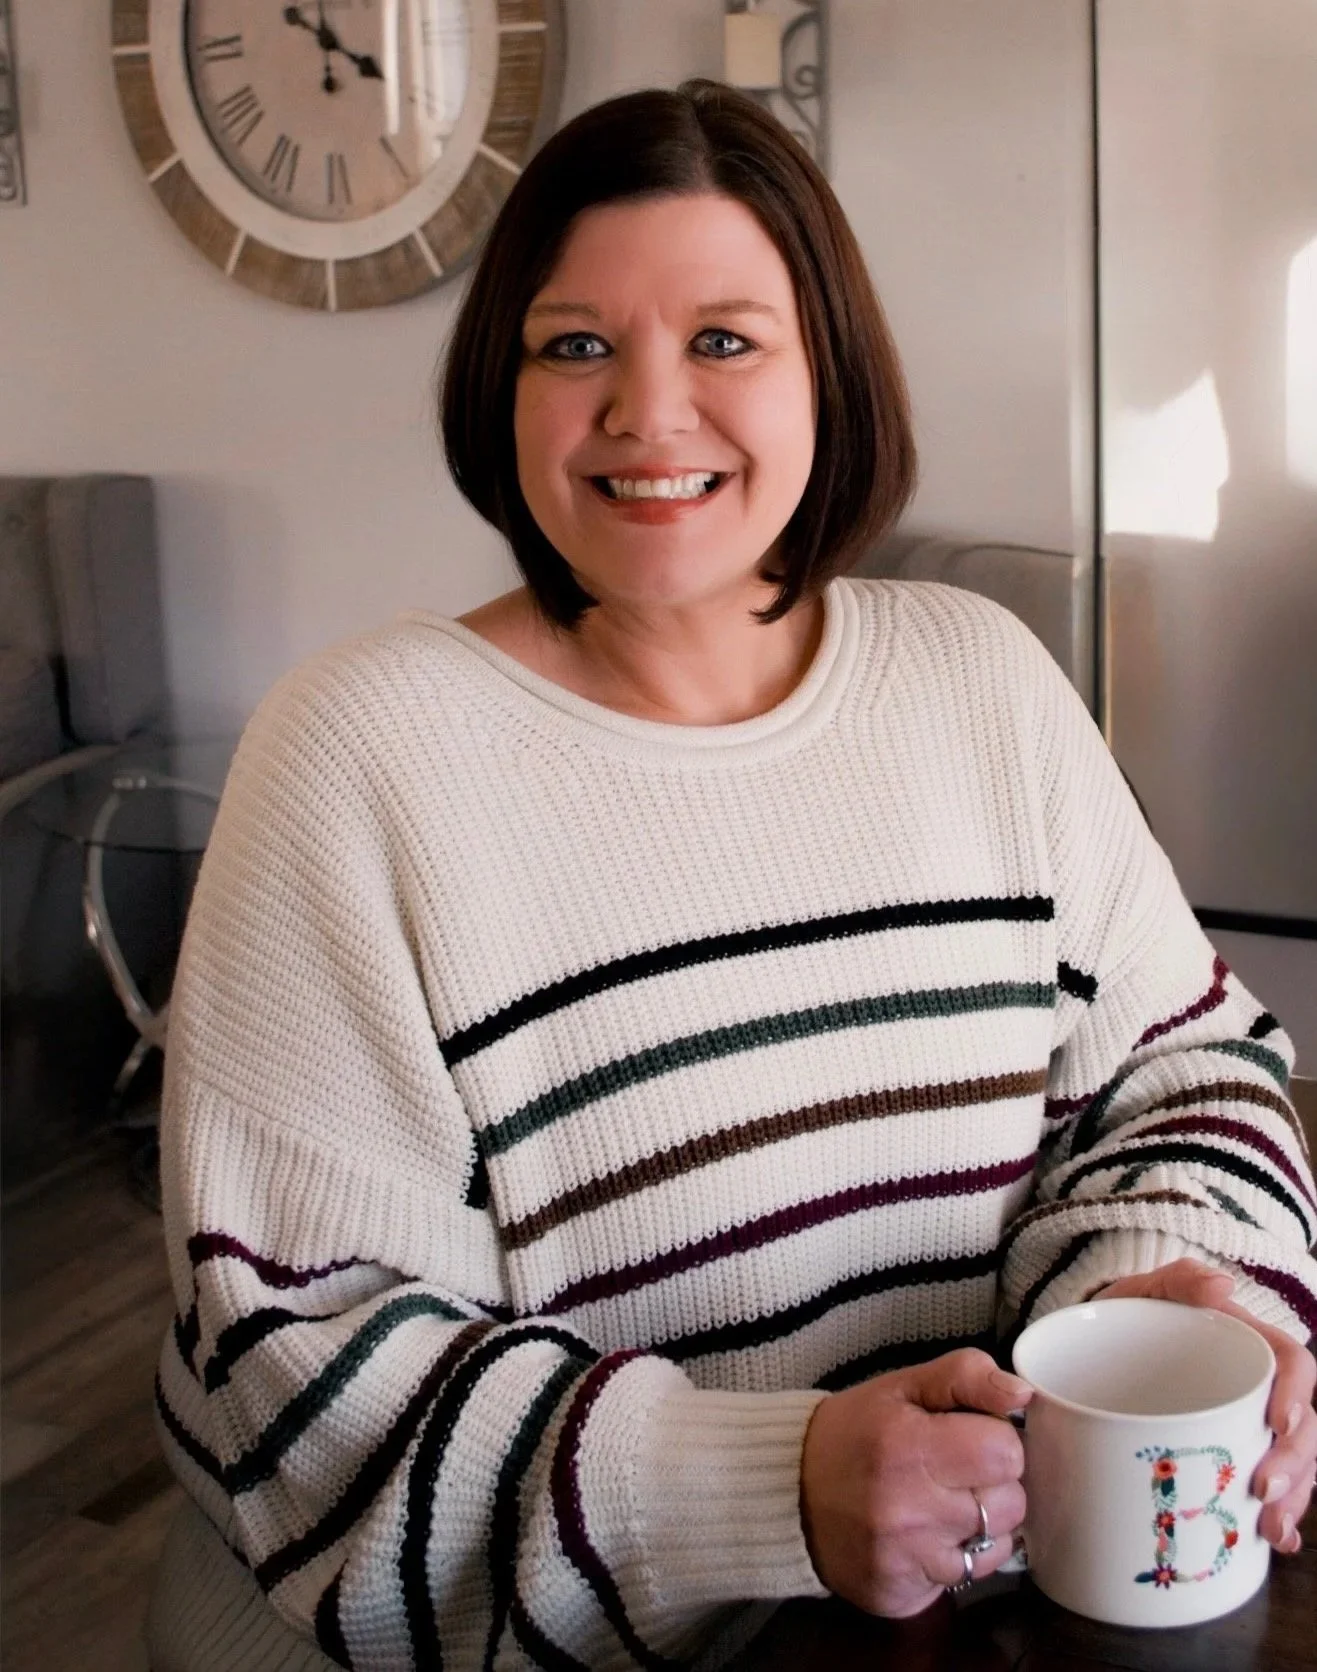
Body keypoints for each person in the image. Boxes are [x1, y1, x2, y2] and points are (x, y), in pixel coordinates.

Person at [146, 79, 1317, 1672]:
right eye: (576, 347)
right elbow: (301, 1369)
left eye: (723, 340)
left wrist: (1168, 1308)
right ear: (504, 388)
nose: (647, 410)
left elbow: (1181, 1070)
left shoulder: (982, 681)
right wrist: (778, 1491)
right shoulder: (360, 758)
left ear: (829, 377)